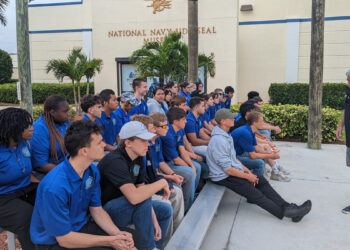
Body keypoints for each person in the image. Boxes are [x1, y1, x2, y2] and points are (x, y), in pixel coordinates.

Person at [30, 120, 137, 250]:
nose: (104, 145)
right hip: (53, 242)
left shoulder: (91, 171)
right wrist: (110, 241)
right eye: (99, 143)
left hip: (80, 227)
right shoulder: (54, 187)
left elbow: (96, 210)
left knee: (133, 239)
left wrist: (117, 234)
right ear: (84, 151)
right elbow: (64, 239)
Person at [207, 109, 312, 222]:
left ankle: (288, 206)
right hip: (223, 177)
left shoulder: (225, 135)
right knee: (256, 194)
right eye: (231, 118)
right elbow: (228, 170)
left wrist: (247, 171)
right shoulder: (219, 140)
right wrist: (248, 177)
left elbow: (233, 159)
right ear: (223, 121)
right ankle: (286, 213)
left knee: (260, 180)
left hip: (231, 172)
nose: (234, 119)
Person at [98, 121, 173, 250]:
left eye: (148, 140)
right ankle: (149, 247)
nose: (148, 144)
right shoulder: (114, 160)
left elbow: (142, 190)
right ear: (128, 143)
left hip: (126, 207)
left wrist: (154, 221)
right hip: (105, 213)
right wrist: (162, 182)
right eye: (143, 141)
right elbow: (135, 197)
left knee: (165, 210)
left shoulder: (138, 157)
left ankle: (155, 246)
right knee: (139, 200)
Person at [131, 114, 185, 245]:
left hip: (148, 185)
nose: (154, 131)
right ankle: (164, 243)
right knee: (166, 204)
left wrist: (169, 178)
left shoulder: (148, 147)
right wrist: (165, 181)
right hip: (138, 195)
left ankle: (177, 231)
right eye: (151, 128)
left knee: (176, 191)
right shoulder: (137, 152)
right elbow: (139, 187)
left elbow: (154, 171)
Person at [0, 108, 39, 250]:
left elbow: (27, 173)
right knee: (28, 217)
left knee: (52, 199)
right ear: (13, 127)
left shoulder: (24, 144)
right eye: (27, 126)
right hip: (3, 197)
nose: (32, 129)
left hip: (23, 189)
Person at [149, 112, 194, 212]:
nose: (167, 128)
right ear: (155, 127)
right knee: (177, 189)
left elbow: (161, 162)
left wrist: (173, 174)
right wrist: (171, 177)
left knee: (183, 178)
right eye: (164, 126)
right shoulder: (146, 144)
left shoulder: (158, 140)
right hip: (153, 175)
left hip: (158, 171)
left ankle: (187, 210)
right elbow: (151, 173)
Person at [232, 111, 290, 182]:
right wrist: (271, 155)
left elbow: (257, 148)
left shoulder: (250, 129)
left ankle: (264, 178)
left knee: (264, 155)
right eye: (261, 121)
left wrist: (271, 153)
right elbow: (252, 155)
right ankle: (257, 184)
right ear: (254, 123)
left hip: (240, 153)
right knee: (259, 163)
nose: (263, 123)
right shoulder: (245, 132)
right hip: (234, 158)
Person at [161, 108, 205, 194]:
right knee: (190, 172)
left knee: (197, 167)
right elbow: (176, 160)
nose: (186, 121)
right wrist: (190, 168)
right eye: (183, 120)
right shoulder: (167, 134)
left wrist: (192, 165)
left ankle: (192, 195)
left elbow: (182, 150)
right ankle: (187, 205)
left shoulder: (180, 129)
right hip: (167, 163)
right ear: (175, 121)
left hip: (175, 159)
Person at [30, 95, 70, 175]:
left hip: (68, 167)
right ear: (52, 112)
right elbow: (41, 166)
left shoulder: (65, 123)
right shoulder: (39, 130)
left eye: (68, 111)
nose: (68, 114)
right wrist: (70, 171)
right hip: (50, 173)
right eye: (65, 111)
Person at [336, 69, 350, 213]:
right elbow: (346, 108)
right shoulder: (348, 90)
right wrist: (341, 125)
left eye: (349, 80)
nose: (347, 83)